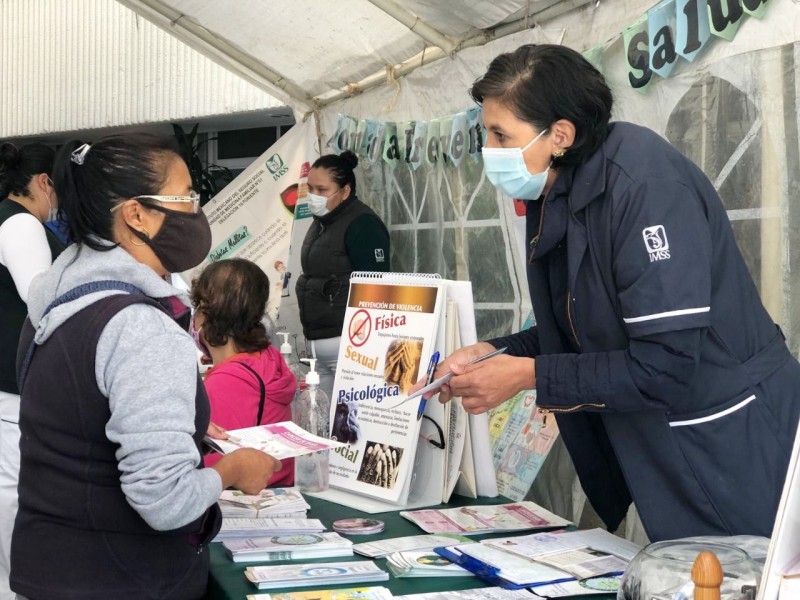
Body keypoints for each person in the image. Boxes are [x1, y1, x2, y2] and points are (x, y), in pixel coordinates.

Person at [413, 44, 800, 543]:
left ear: (560, 135)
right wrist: (494, 352)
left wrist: (527, 375)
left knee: (746, 575)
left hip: (731, 436)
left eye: (499, 135)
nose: (488, 149)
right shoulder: (554, 188)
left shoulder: (645, 186)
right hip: (664, 432)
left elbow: (667, 363)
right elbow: (581, 327)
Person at [11, 134, 280, 600]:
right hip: (122, 578)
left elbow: (80, 423)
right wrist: (233, 469)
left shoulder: (54, 303)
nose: (196, 212)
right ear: (136, 214)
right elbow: (164, 499)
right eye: (187, 198)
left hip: (51, 569)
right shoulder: (138, 327)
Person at [0, 142, 65, 600]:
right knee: (13, 497)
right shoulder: (22, 223)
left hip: (9, 388)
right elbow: (46, 306)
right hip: (12, 392)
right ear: (44, 183)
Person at [191, 258, 296, 486]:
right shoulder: (268, 358)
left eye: (197, 308)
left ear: (206, 313)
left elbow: (207, 470)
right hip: (280, 486)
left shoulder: (225, 381)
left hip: (244, 497)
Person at [296, 150, 390, 398]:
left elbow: (375, 289)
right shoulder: (322, 221)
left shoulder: (363, 224)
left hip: (348, 345)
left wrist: (361, 343)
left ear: (345, 191)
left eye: (322, 190)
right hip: (317, 344)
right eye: (310, 189)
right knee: (320, 420)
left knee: (345, 423)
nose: (314, 196)